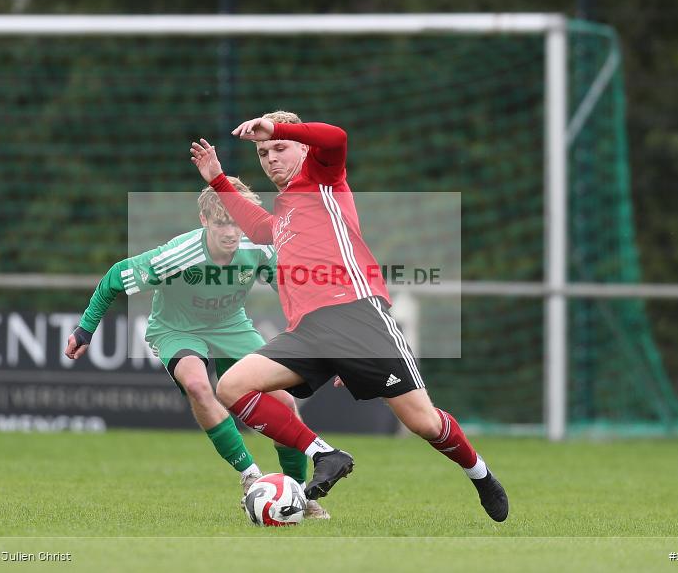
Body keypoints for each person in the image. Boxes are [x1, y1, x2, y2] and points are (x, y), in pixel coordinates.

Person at [189, 112, 509, 522]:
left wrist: (279, 127)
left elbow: (336, 137)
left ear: (303, 148)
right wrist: (217, 179)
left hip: (357, 317)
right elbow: (257, 228)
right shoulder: (285, 210)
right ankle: (325, 454)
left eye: (280, 148)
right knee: (232, 386)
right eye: (264, 152)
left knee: (423, 423)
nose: (270, 158)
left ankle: (479, 474)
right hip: (309, 331)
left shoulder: (322, 178)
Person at [64, 177, 329, 519]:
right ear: (204, 221)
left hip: (231, 325)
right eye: (222, 223)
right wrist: (85, 329)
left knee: (286, 402)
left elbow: (294, 293)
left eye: (237, 221)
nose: (232, 232)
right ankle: (250, 476)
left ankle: (296, 494)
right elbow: (115, 277)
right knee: (198, 385)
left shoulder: (259, 247)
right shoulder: (179, 255)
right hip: (177, 329)